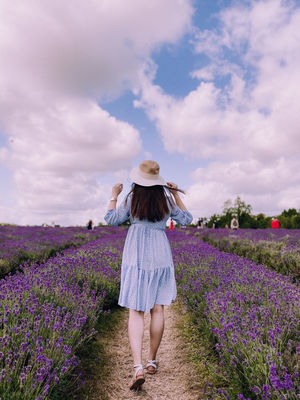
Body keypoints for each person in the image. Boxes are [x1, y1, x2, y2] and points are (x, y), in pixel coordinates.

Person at [104, 160, 193, 390]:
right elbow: (187, 219)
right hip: (160, 253)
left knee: (136, 309)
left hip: (136, 253)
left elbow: (111, 219)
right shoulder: (164, 199)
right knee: (157, 308)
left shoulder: (132, 198)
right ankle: (152, 361)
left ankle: (138, 367)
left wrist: (114, 195)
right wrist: (175, 195)